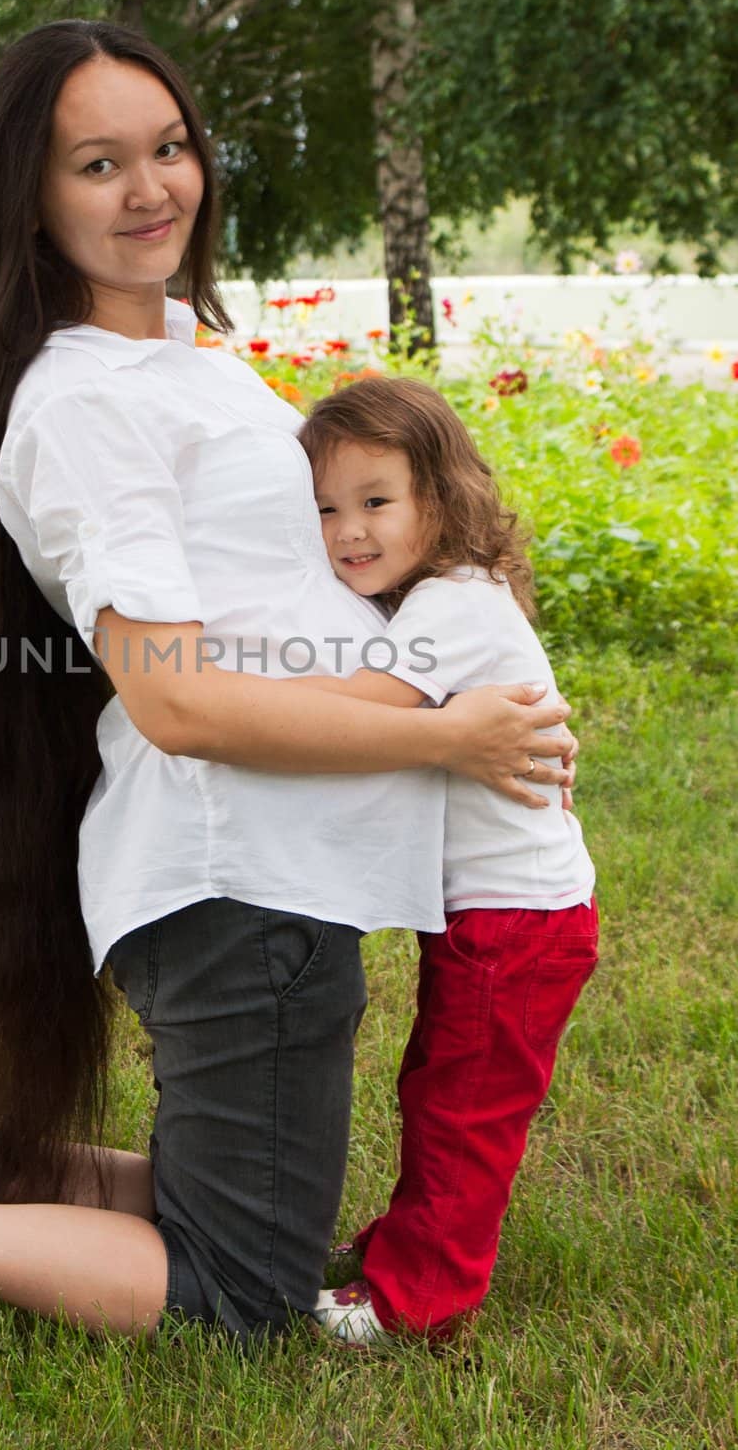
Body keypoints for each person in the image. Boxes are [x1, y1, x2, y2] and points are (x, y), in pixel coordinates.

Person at [0, 21, 576, 1403]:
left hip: (265, 876)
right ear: (29, 200)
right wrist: (443, 733)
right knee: (239, 1290)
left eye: (167, 149)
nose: (150, 187)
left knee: (246, 1206)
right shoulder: (82, 402)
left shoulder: (178, 352)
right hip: (240, 880)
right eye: (99, 163)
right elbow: (171, 700)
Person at [290, 372, 599, 1346]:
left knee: (464, 1106)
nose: (349, 531)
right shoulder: (448, 591)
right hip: (504, 913)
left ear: (443, 495)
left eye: (376, 501)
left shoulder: (453, 607)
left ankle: (416, 1300)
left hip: (515, 920)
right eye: (328, 510)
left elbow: (351, 715)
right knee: (438, 1085)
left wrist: (227, 687)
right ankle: (407, 1242)